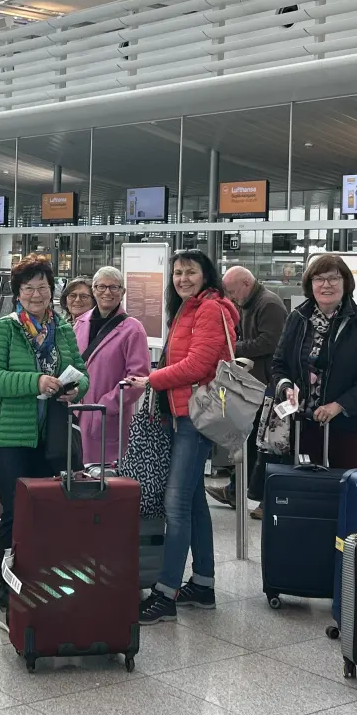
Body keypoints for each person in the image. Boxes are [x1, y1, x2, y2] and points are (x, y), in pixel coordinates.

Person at [126, 249, 239, 624]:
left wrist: (151, 380)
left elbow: (199, 364)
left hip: (195, 417)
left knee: (175, 506)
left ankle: (165, 593)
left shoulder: (210, 309)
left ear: (207, 275)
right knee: (192, 503)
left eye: (191, 272)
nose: (183, 278)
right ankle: (203, 584)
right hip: (181, 414)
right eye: (177, 273)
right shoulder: (187, 309)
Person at [0, 255, 88, 626]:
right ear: (18, 293)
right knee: (16, 515)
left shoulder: (62, 329)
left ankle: (45, 591)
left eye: (43, 287)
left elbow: (82, 371)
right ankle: (7, 599)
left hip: (53, 435)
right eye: (29, 288)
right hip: (12, 437)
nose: (37, 294)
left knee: (51, 514)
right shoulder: (4, 329)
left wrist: (75, 389)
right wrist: (36, 383)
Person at [269, 255, 357, 471]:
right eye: (319, 279)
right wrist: (286, 387)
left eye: (333, 278)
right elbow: (279, 364)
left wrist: (339, 406)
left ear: (346, 283)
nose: (326, 285)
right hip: (303, 424)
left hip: (350, 425)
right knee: (310, 491)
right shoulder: (297, 318)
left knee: (346, 488)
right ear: (310, 284)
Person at [207, 265, 288, 515]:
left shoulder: (269, 304)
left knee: (260, 443)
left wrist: (232, 347)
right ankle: (236, 490)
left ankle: (250, 494)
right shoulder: (249, 303)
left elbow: (268, 343)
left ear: (246, 283)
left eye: (232, 291)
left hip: (266, 384)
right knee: (249, 441)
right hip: (251, 382)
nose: (231, 297)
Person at [72, 266, 149, 466]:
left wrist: (106, 406)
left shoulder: (133, 330)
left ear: (123, 293)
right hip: (74, 414)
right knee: (75, 478)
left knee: (104, 481)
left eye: (114, 287)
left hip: (108, 416)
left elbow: (137, 377)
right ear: (94, 290)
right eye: (102, 287)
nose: (108, 292)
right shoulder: (79, 324)